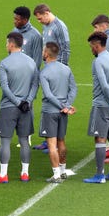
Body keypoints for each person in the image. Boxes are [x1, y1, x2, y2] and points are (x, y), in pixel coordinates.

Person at [0, 6, 43, 149]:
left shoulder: (35, 36)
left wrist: (34, 78)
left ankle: (26, 137)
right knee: (7, 100)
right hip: (12, 74)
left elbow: (37, 59)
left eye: (17, 19)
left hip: (28, 75)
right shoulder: (14, 32)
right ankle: (2, 136)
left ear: (25, 20)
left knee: (27, 102)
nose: (14, 21)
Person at [0, 32, 39, 183]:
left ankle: (3, 175)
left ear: (11, 44)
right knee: (24, 141)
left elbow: (4, 87)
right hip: (26, 108)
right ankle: (25, 173)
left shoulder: (5, 63)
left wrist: (17, 102)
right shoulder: (31, 62)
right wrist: (28, 101)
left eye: (6, 43)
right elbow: (35, 84)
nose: (6, 46)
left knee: (5, 141)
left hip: (8, 107)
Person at [83, 32, 109, 184]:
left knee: (100, 138)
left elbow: (104, 85)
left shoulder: (98, 62)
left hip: (102, 105)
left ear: (96, 45)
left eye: (91, 47)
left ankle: (100, 175)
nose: (91, 50)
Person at [38, 42, 77, 183]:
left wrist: (61, 105)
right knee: (61, 141)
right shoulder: (66, 69)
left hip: (50, 111)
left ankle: (56, 174)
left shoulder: (44, 72)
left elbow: (48, 95)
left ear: (47, 54)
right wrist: (66, 106)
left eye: (43, 51)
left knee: (51, 143)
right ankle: (62, 169)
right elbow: (73, 89)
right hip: (63, 113)